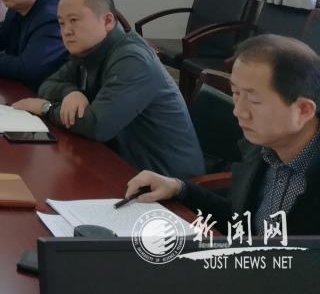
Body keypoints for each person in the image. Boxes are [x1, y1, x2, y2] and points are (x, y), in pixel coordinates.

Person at [125, 34, 320, 234]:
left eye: (255, 100)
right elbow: (239, 218)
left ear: (304, 110)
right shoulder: (261, 148)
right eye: (236, 93)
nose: (238, 111)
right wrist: (178, 188)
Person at [13, 0, 204, 179]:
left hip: (165, 182)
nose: (66, 31)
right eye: (61, 23)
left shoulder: (132, 60)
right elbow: (48, 84)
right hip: (121, 164)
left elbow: (97, 126)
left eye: (74, 20)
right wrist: (71, 92)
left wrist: (45, 107)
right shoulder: (88, 50)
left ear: (108, 21)